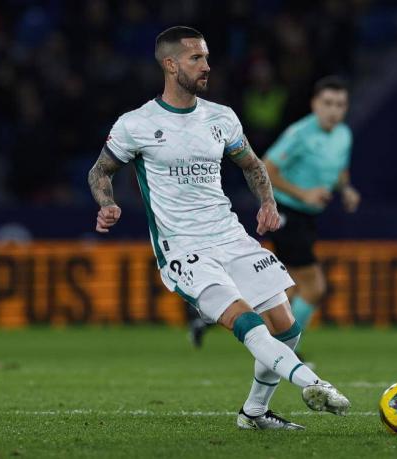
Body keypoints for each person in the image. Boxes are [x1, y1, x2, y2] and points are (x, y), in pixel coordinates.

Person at [87, 26, 350, 430]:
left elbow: (252, 164)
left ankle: (255, 414)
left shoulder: (221, 117)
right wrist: (107, 203)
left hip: (230, 236)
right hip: (183, 249)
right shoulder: (136, 124)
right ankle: (313, 384)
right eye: (196, 59)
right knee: (247, 322)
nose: (206, 66)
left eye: (207, 57)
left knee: (286, 327)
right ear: (170, 64)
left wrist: (267, 202)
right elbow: (100, 171)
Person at [263, 76, 360, 344]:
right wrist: (303, 193)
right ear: (314, 104)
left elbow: (339, 169)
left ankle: (272, 349)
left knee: (290, 290)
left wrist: (346, 189)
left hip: (308, 217)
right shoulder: (299, 134)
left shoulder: (344, 135)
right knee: (314, 288)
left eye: (340, 104)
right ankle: (286, 352)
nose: (334, 110)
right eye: (327, 103)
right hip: (286, 213)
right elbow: (265, 169)